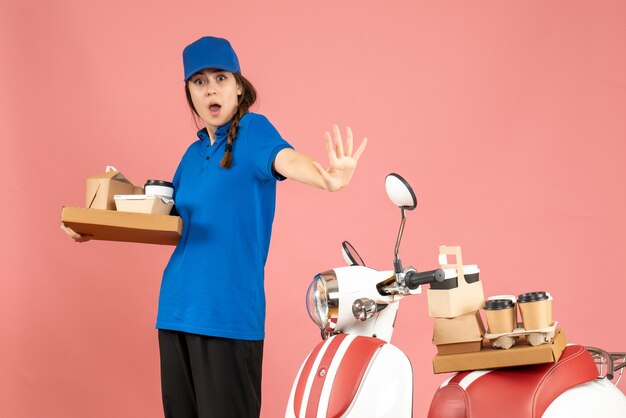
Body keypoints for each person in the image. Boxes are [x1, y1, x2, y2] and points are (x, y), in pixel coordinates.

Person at [62, 36, 366, 418]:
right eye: (199, 82)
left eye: (220, 78)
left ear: (238, 86)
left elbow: (287, 160)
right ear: (189, 93)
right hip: (175, 312)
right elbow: (162, 223)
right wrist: (94, 227)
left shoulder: (255, 133)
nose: (211, 90)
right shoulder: (190, 157)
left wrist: (327, 178)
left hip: (228, 317)